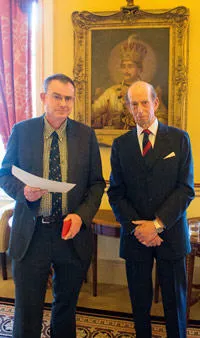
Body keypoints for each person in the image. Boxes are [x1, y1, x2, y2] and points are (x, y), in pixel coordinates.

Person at [0, 74, 105, 338]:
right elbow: (4, 174)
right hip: (31, 233)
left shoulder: (85, 135)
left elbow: (96, 184)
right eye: (57, 97)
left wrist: (82, 216)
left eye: (69, 98)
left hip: (70, 232)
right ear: (44, 97)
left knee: (66, 308)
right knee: (27, 309)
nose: (64, 103)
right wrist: (23, 192)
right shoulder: (22, 132)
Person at [107, 81, 194, 338]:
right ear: (128, 107)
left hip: (171, 234)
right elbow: (116, 193)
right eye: (134, 104)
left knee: (175, 306)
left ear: (155, 103)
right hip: (136, 238)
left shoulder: (179, 139)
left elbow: (185, 189)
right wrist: (140, 228)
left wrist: (156, 225)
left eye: (145, 102)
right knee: (139, 304)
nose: (140, 109)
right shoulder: (121, 145)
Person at [92, 35, 147, 130]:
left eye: (130, 66)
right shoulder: (111, 92)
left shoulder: (149, 92)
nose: (126, 70)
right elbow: (93, 111)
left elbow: (162, 118)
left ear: (140, 69)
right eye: (123, 66)